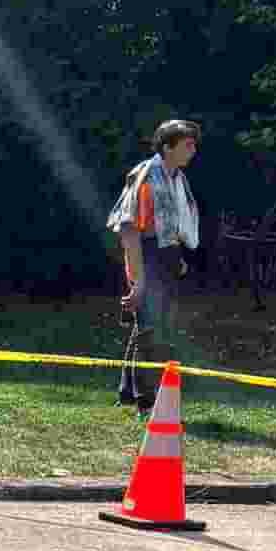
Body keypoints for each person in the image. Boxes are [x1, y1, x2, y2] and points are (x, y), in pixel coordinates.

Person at [107, 118, 201, 406]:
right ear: (167, 147)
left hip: (165, 257)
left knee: (149, 326)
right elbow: (130, 231)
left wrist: (176, 257)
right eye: (188, 144)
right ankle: (146, 402)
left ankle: (127, 393)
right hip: (146, 256)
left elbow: (170, 227)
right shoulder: (147, 177)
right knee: (151, 331)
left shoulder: (177, 178)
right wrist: (138, 282)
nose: (194, 150)